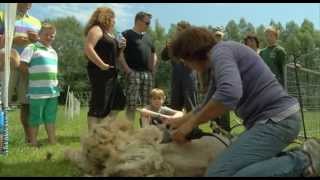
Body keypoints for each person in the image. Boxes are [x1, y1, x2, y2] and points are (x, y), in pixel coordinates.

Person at [166, 27, 320, 177]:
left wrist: (191, 124)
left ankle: (305, 159)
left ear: (192, 53)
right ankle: (294, 158)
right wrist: (176, 121)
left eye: (184, 59)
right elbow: (205, 106)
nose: (186, 65)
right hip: (272, 121)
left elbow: (229, 93)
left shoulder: (221, 52)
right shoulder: (218, 61)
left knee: (218, 174)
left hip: (277, 121)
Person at [0, 3, 41, 143]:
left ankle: (30, 139)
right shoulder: (3, 15)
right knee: (2, 102)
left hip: (27, 66)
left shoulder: (36, 22)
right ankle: (1, 141)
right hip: (6, 64)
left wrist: (37, 40)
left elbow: (40, 45)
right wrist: (11, 40)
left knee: (27, 104)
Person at [84, 7, 126, 131]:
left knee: (119, 101)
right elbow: (88, 48)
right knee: (98, 104)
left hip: (110, 72)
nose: (114, 21)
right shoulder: (97, 29)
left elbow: (115, 56)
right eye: (113, 18)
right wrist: (101, 64)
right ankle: (93, 136)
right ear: (107, 18)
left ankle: (103, 129)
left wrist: (121, 48)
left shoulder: (110, 35)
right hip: (99, 72)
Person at [19, 23, 59, 147]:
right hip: (37, 92)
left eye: (51, 35)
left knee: (50, 117)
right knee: (35, 118)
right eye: (46, 34)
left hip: (53, 91)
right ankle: (34, 143)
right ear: (40, 34)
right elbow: (22, 65)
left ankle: (52, 142)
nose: (49, 37)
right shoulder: (32, 47)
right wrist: (33, 75)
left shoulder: (53, 52)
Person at [120, 11, 157, 122]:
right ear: (138, 21)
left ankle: (145, 131)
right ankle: (129, 132)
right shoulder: (125, 34)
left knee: (148, 106)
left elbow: (153, 54)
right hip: (133, 73)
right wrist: (127, 70)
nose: (148, 26)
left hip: (147, 74)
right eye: (147, 23)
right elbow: (119, 54)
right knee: (132, 105)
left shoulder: (149, 38)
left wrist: (153, 69)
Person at [160, 20, 197, 112]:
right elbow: (164, 57)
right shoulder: (173, 43)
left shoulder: (193, 43)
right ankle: (176, 125)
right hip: (176, 75)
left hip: (189, 75)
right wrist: (167, 48)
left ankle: (193, 126)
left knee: (190, 102)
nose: (177, 32)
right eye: (177, 29)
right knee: (175, 103)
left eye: (180, 30)